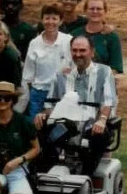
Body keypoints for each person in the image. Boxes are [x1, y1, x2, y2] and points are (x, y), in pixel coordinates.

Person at [35, 36, 118, 175]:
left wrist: (102, 120)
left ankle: (86, 175)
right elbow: (51, 102)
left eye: (82, 50)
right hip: (66, 124)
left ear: (92, 52)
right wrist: (44, 113)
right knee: (41, 128)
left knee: (98, 135)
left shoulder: (104, 72)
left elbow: (108, 101)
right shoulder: (61, 74)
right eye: (74, 50)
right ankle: (46, 173)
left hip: (93, 123)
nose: (78, 54)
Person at [19, 5, 72, 119]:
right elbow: (28, 74)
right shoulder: (34, 43)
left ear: (61, 21)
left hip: (62, 93)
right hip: (39, 94)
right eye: (47, 18)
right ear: (42, 20)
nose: (50, 22)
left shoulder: (68, 40)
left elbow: (76, 66)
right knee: (37, 129)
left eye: (54, 18)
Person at [71, 0, 123, 74]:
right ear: (85, 11)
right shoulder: (74, 34)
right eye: (92, 9)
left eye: (99, 9)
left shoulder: (112, 38)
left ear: (105, 11)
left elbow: (115, 68)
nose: (95, 11)